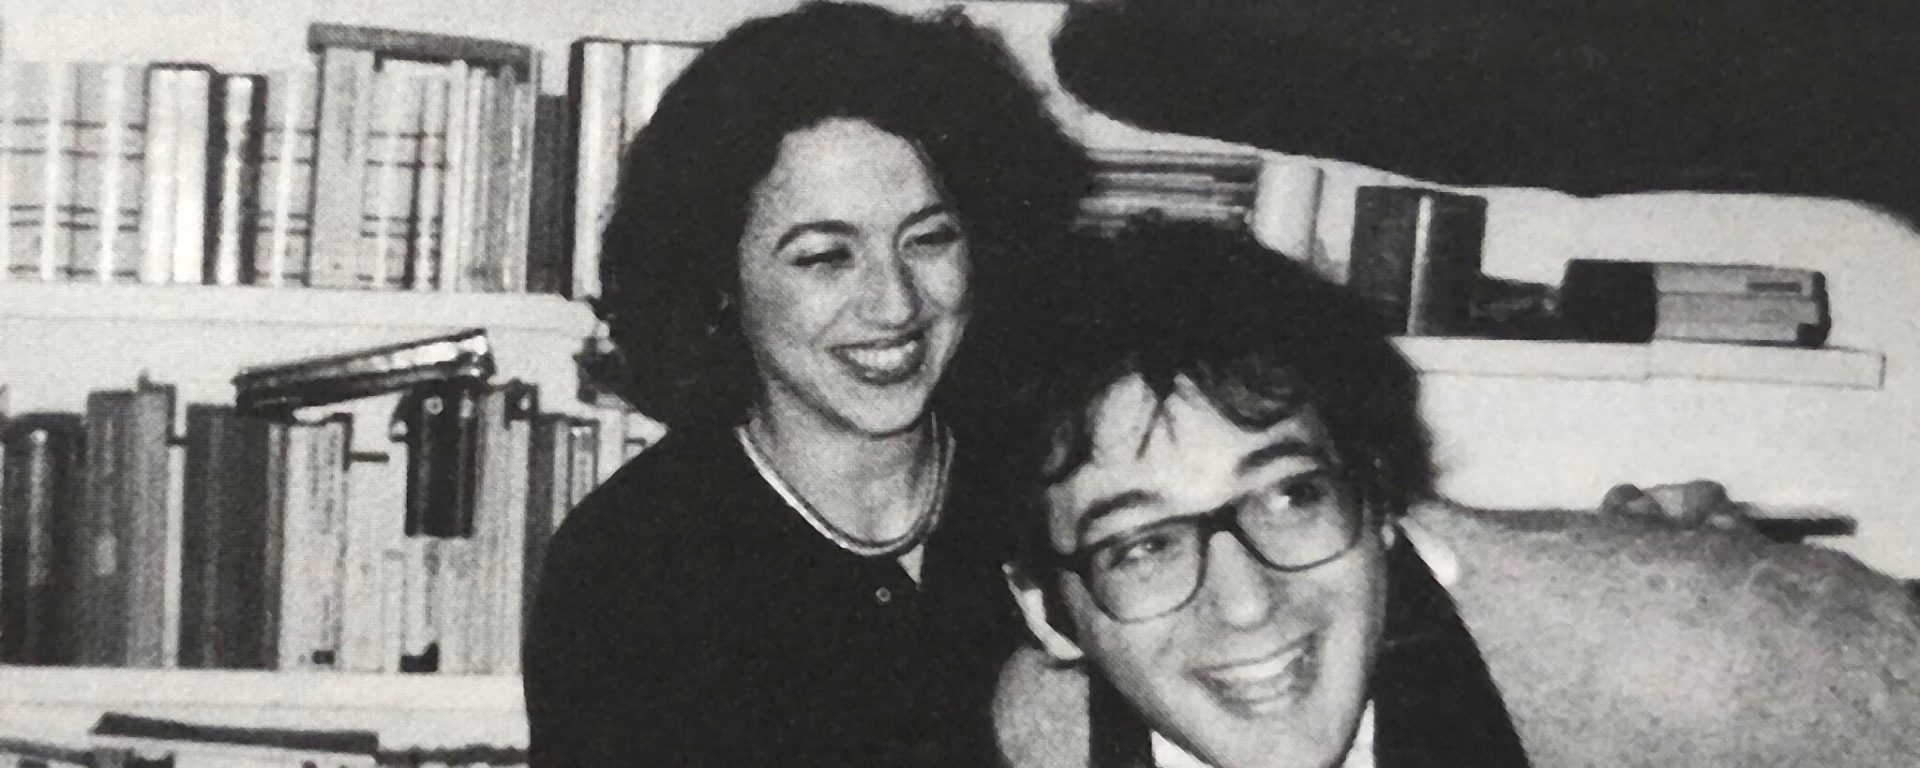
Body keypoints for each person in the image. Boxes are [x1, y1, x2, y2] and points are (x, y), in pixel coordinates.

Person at [988, 222, 1920, 768]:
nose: (1245, 604)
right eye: (1142, 546)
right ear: (1048, 613)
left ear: (1379, 499)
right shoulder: (1046, 734)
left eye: (1290, 496)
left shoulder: (1685, 655)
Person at [521, 3, 1089, 767]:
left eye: (929, 239)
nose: (895, 304)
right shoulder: (631, 565)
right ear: (719, 278)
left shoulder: (1060, 482)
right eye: (825, 257)